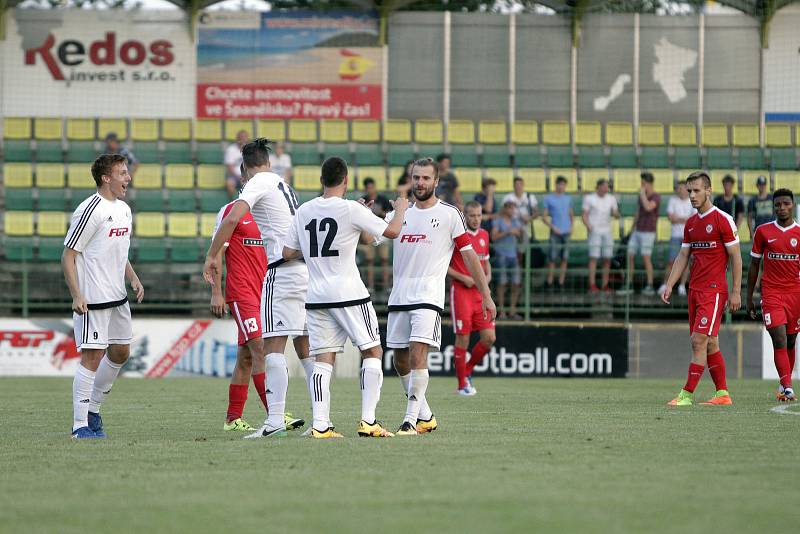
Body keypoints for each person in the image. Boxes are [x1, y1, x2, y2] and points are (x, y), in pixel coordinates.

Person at [283, 157, 409, 438]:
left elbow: (288, 253)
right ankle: (368, 421)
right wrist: (399, 210)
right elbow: (392, 231)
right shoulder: (351, 208)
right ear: (347, 181)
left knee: (323, 359)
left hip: (316, 295)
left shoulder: (303, 211)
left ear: (321, 181)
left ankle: (321, 425)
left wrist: (318, 254)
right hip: (349, 293)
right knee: (373, 351)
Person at [204, 138, 313, 439]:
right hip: (287, 277)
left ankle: (276, 417)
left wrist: (210, 256)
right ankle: (315, 418)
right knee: (294, 347)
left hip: (277, 277)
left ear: (247, 171)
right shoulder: (283, 186)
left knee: (269, 348)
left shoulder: (259, 183)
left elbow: (234, 217)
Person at [380, 157, 495, 435]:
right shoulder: (400, 212)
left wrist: (486, 294)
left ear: (436, 181)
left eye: (425, 178)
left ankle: (410, 421)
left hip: (428, 295)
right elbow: (374, 237)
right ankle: (426, 415)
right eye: (416, 177)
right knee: (400, 359)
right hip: (399, 296)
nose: (420, 182)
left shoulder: (450, 214)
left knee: (419, 353)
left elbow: (470, 258)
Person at [62, 154, 144, 439]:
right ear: (105, 177)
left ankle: (94, 410)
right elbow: (68, 256)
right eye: (122, 173)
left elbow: (118, 250)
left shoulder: (124, 209)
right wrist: (76, 295)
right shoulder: (90, 209)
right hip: (93, 298)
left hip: (118, 297)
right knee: (93, 356)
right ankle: (80, 425)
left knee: (121, 352)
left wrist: (132, 277)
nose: (128, 177)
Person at [661, 171, 742, 407]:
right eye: (689, 191)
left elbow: (736, 258)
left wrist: (735, 291)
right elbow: (683, 255)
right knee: (710, 342)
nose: (692, 195)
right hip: (695, 290)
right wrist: (670, 283)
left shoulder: (723, 219)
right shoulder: (691, 223)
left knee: (698, 341)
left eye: (696, 190)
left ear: (709, 190)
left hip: (714, 290)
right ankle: (722, 394)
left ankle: (687, 394)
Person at [210, 163, 276, 432]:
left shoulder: (268, 214)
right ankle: (276, 413)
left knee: (246, 357)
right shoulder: (230, 213)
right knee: (260, 348)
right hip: (241, 293)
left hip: (265, 293)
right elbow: (216, 253)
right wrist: (216, 292)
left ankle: (232, 418)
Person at [746, 189, 799, 402]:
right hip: (771, 292)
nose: (782, 208)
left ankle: (785, 381)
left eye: (786, 203)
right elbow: (754, 265)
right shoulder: (763, 232)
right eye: (778, 204)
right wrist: (749, 297)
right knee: (779, 338)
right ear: (773, 207)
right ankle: (787, 387)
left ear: (792, 205)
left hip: (795, 293)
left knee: (791, 340)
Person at [448, 201, 495, 396]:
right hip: (461, 293)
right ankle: (462, 385)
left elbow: (486, 261)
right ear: (464, 216)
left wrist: (487, 277)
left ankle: (466, 371)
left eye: (478, 215)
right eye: (472, 215)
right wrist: (464, 278)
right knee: (463, 338)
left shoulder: (484, 235)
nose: (475, 219)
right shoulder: (457, 235)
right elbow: (445, 266)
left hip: (480, 294)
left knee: (489, 338)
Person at [625, 172, 661, 295]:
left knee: (646, 257)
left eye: (644, 183)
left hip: (648, 232)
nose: (642, 185)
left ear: (649, 183)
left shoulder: (656, 196)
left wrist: (642, 195)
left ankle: (650, 284)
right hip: (638, 230)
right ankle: (629, 283)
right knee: (629, 255)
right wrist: (631, 229)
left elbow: (648, 207)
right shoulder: (642, 196)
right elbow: (638, 212)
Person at [582, 179, 620, 292]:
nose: (606, 189)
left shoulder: (611, 198)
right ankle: (592, 284)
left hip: (607, 231)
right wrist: (589, 226)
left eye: (607, 187)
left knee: (607, 258)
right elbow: (584, 215)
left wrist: (617, 214)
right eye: (604, 186)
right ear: (598, 187)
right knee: (593, 258)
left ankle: (605, 284)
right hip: (595, 231)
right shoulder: (589, 198)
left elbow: (615, 212)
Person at [658, 182, 694, 297]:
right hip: (675, 235)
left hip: (688, 236)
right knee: (671, 261)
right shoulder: (673, 200)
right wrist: (683, 219)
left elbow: (692, 220)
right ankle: (665, 284)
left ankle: (682, 286)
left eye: (682, 188)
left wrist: (678, 219)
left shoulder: (692, 201)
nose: (680, 190)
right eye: (678, 188)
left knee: (687, 263)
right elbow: (670, 218)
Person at [358, 177, 393, 295]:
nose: (370, 190)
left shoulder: (383, 199)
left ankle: (387, 285)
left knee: (385, 260)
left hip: (383, 233)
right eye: (368, 188)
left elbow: (390, 216)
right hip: (369, 233)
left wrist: (380, 213)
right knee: (370, 261)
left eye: (371, 187)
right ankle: (370, 286)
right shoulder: (364, 200)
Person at [491, 201, 523, 319]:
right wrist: (507, 232)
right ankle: (502, 311)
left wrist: (518, 232)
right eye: (511, 208)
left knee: (516, 283)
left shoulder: (515, 221)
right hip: (501, 255)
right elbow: (493, 237)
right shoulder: (498, 221)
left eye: (513, 209)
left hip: (513, 255)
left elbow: (520, 233)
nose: (513, 211)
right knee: (502, 284)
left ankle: (512, 311)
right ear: (505, 209)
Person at [542, 175, 573, 289]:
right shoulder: (548, 199)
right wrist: (553, 227)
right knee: (552, 258)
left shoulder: (568, 199)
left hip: (566, 232)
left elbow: (571, 214)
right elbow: (544, 217)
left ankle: (561, 282)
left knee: (565, 257)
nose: (561, 187)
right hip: (555, 232)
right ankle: (550, 281)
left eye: (564, 185)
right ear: (556, 185)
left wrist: (571, 227)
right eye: (560, 184)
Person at [502, 176, 537, 250]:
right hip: (511, 226)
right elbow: (502, 213)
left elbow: (537, 212)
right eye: (516, 185)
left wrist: (529, 218)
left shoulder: (530, 197)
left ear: (523, 185)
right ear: (513, 186)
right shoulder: (508, 197)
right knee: (512, 249)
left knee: (522, 250)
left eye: (520, 184)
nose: (518, 187)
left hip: (525, 226)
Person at [224, 130, 250, 199]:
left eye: (244, 137)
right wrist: (239, 177)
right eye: (241, 138)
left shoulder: (251, 149)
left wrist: (246, 176)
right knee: (229, 184)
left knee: (250, 186)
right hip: (234, 176)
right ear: (237, 139)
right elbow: (230, 167)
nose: (243, 139)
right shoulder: (231, 149)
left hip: (247, 176)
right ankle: (232, 204)